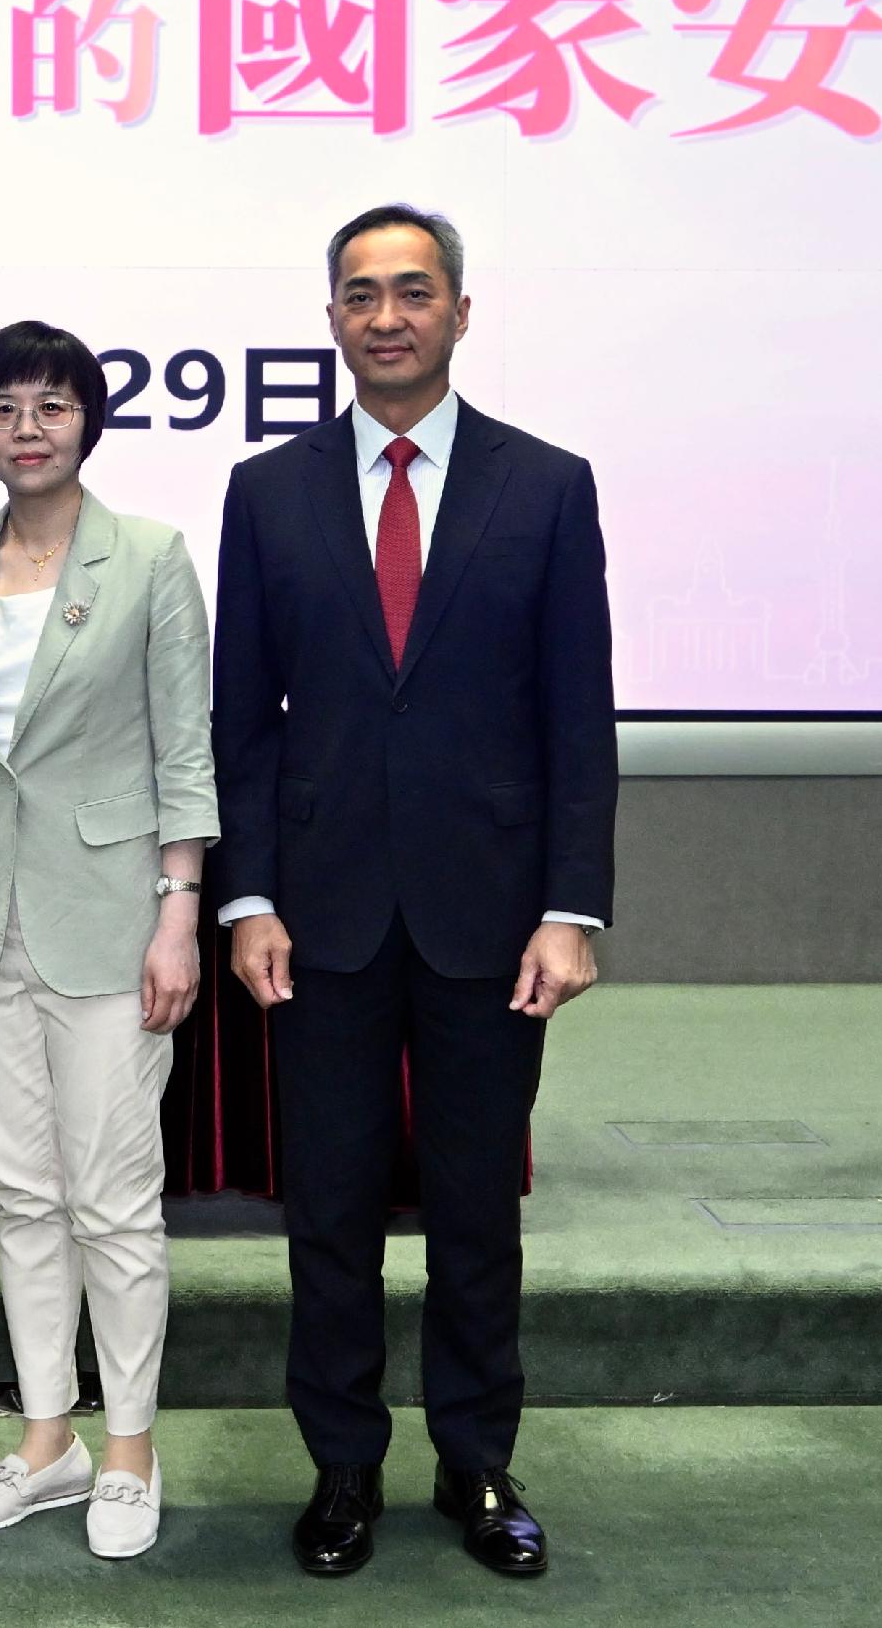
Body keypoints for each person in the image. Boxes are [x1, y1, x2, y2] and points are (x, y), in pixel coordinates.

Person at [211, 205, 618, 1582]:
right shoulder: (267, 489)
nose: (386, 315)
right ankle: (341, 1464)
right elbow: (244, 723)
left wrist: (574, 907)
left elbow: (579, 717)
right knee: (325, 1208)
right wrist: (245, 894)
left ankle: (476, 1454)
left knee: (472, 1208)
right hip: (315, 914)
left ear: (459, 309)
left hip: (491, 913)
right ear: (330, 315)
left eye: (413, 291)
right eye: (360, 293)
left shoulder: (546, 484)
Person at [0, 319, 216, 1561]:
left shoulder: (149, 556)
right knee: (24, 1194)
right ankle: (48, 1438)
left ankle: (130, 1444)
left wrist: (178, 906)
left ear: (89, 418)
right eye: (3, 407)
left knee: (114, 1201)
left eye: (51, 404)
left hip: (111, 915)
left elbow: (182, 744)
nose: (26, 427)